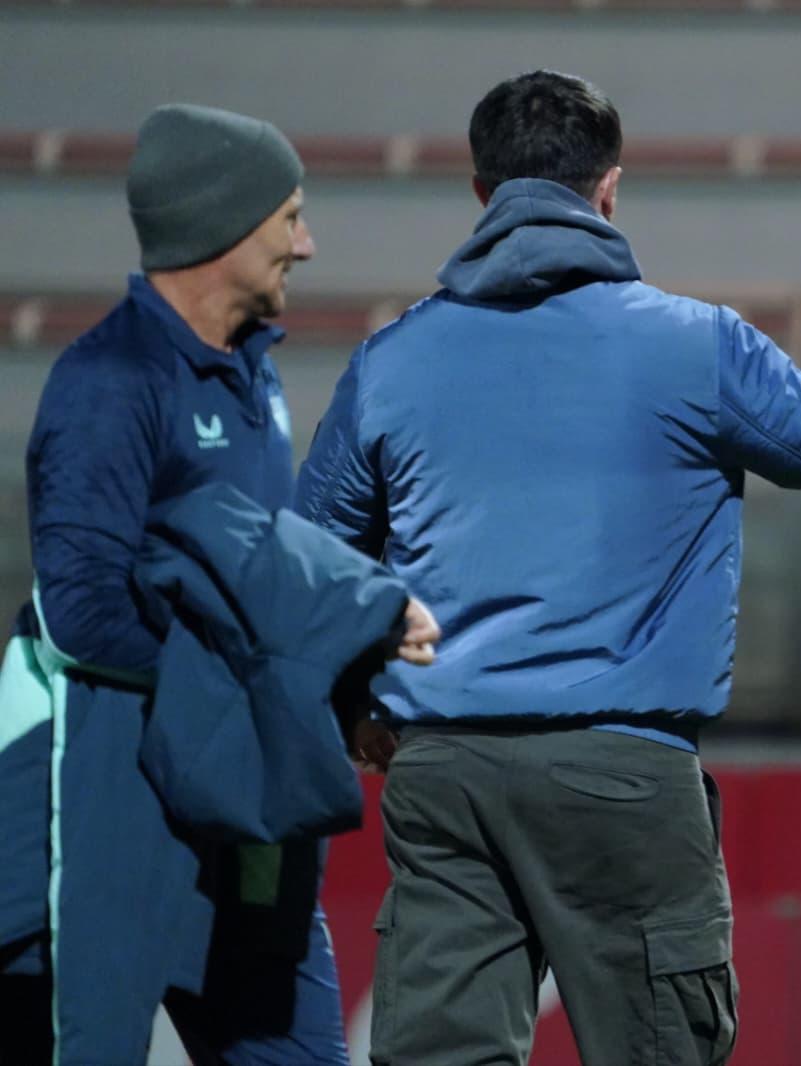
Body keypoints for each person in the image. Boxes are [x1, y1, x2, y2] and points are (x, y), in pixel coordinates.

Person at [293, 69, 801, 1066]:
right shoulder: (691, 346)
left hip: (443, 770)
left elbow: (313, 559)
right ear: (608, 189)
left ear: (482, 195)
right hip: (620, 775)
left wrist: (356, 698)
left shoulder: (392, 359)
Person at [2, 104, 440, 1065]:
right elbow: (82, 617)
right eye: (290, 217)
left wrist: (328, 697)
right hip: (107, 810)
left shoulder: (252, 376)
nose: (309, 244)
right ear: (220, 229)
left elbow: (252, 582)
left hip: (242, 813)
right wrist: (263, 686)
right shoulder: (107, 381)